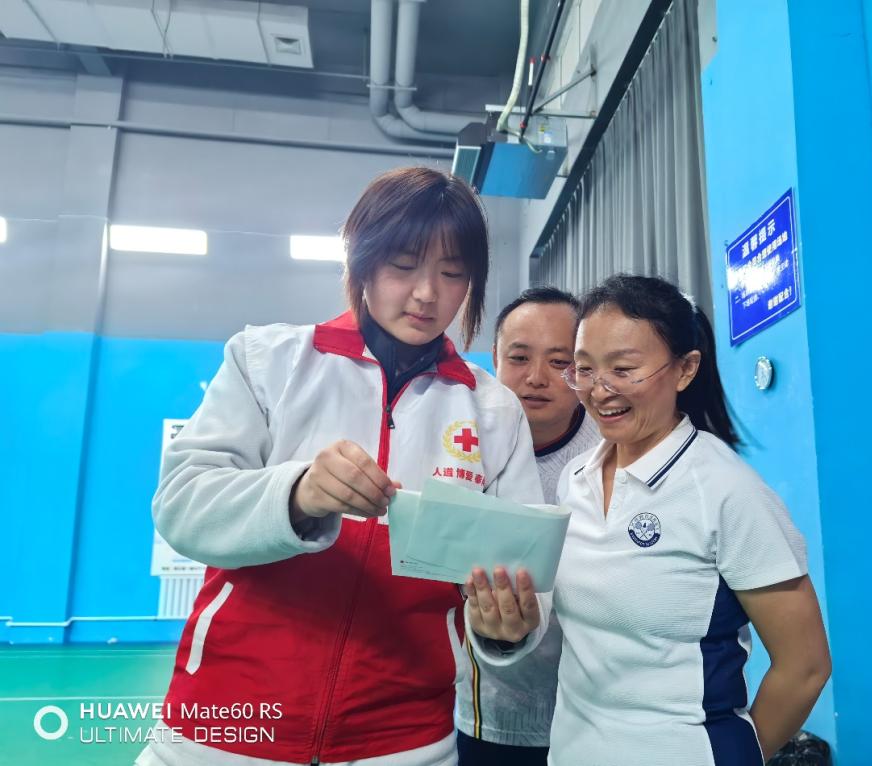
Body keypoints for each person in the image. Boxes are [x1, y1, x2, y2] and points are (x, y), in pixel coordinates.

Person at [135, 167, 543, 766]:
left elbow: (526, 569)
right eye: (404, 265)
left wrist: (504, 628)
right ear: (362, 260)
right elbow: (181, 505)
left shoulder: (493, 410)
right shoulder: (267, 361)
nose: (427, 294)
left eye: (453, 273)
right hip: (223, 728)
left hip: (405, 741)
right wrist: (297, 494)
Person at [463, 274, 832, 766]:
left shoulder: (727, 491)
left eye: (623, 369)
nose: (600, 390)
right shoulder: (576, 479)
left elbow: (805, 666)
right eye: (584, 369)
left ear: (685, 369)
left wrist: (737, 755)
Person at [455, 287, 600, 765]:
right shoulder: (460, 443)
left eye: (559, 362)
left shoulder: (612, 451)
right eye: (519, 358)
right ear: (495, 358)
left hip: (598, 717)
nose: (536, 378)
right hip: (487, 714)